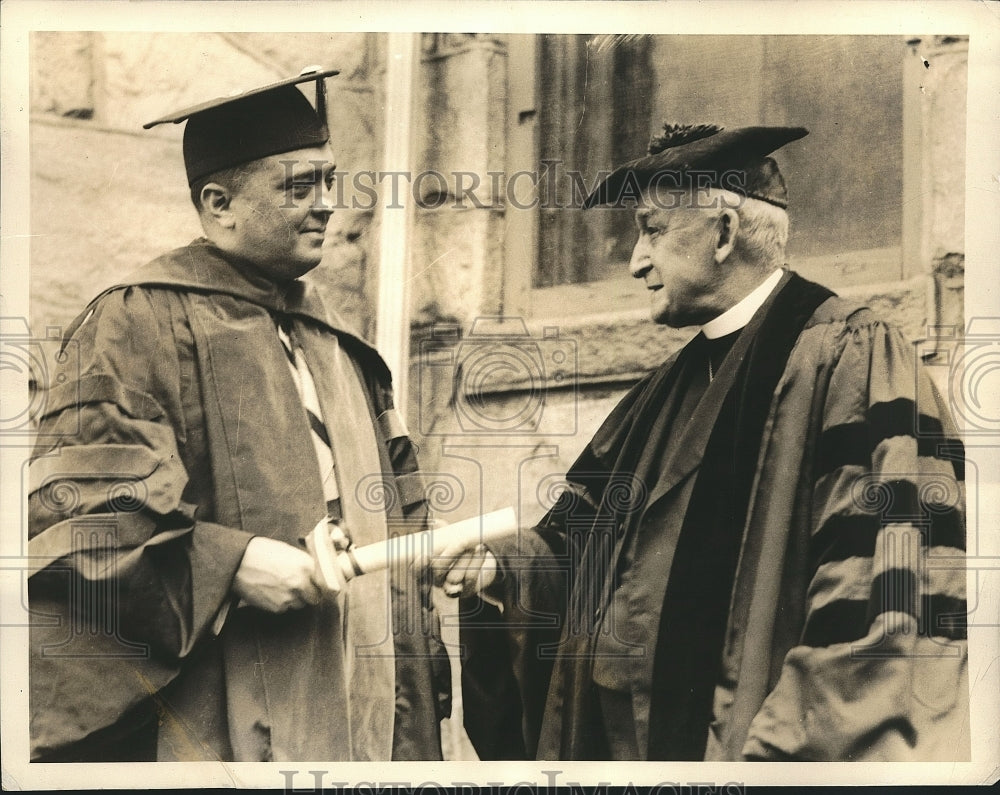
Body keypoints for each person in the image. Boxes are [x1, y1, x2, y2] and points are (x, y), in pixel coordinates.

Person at [438, 123, 969, 761]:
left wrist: (781, 753)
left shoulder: (850, 356)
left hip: (757, 752)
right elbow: (577, 547)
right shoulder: (663, 393)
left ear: (723, 233)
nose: (635, 261)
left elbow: (886, 588)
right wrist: (503, 567)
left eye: (652, 230)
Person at [28, 68, 449, 762]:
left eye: (330, 180)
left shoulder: (337, 338)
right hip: (214, 705)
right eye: (299, 186)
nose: (327, 206)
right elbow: (80, 515)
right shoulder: (134, 322)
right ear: (219, 203)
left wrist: (430, 551)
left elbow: (397, 498)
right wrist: (229, 565)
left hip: (358, 692)